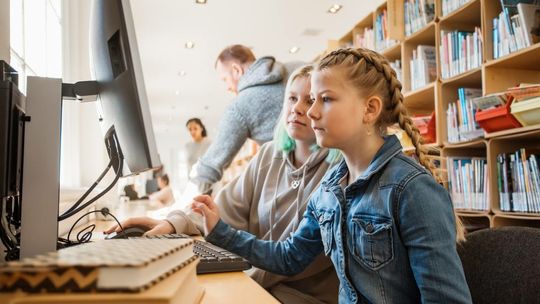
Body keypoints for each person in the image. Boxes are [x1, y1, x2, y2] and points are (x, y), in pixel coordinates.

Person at [191, 48, 473, 303]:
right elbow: (289, 257)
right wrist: (219, 230)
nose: (310, 112)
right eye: (313, 100)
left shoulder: (412, 190)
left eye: (324, 100)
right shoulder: (329, 190)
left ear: (370, 109)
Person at [106, 65, 340, 304]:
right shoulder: (269, 155)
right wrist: (172, 222)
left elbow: (292, 259)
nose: (298, 108)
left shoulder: (338, 170)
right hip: (257, 281)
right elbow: (221, 210)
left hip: (302, 295)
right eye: (292, 98)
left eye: (311, 100)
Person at [192, 44, 301, 194]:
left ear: (236, 70)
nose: (227, 87)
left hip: (296, 187)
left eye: (225, 79)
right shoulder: (299, 69)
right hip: (335, 171)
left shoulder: (239, 107)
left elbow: (209, 167)